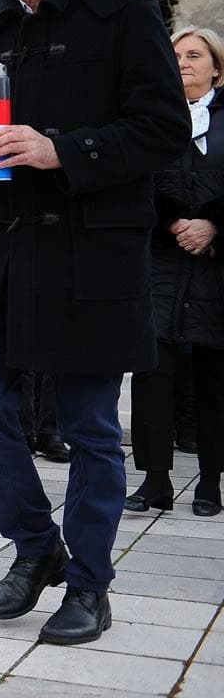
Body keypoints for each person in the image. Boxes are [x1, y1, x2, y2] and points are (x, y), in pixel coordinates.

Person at [0, 0, 188, 645]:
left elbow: (163, 131)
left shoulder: (128, 14)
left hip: (91, 255)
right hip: (3, 251)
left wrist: (61, 150)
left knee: (87, 427)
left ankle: (89, 584)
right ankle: (36, 547)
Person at [127, 25, 224, 518]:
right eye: (175, 55)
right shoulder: (151, 119)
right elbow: (135, 185)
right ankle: (155, 480)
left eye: (193, 55)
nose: (183, 62)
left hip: (215, 269)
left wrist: (213, 227)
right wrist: (173, 225)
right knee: (152, 375)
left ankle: (210, 481)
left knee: (213, 379)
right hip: (160, 264)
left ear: (217, 68)